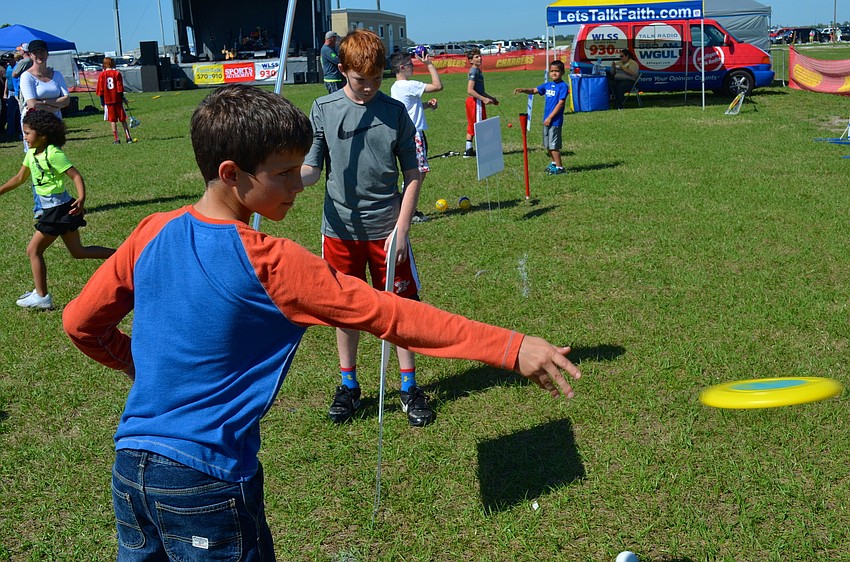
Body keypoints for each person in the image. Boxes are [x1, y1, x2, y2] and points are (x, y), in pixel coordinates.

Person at [61, 83, 581, 560]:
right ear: (230, 174)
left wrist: (141, 369)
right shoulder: (273, 262)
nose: (299, 185)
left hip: (132, 470)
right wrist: (509, 347)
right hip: (208, 484)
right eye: (283, 174)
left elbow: (80, 323)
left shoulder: (150, 230)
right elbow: (389, 312)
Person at [301, 29, 439, 427]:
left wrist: (403, 228)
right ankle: (349, 385)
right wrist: (287, 180)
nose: (370, 87)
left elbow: (413, 174)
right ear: (342, 70)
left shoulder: (394, 112)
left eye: (378, 78)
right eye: (362, 80)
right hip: (339, 231)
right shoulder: (324, 109)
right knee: (346, 310)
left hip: (387, 231)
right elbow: (312, 168)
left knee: (399, 308)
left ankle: (410, 387)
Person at [0, 110, 115, 309]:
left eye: (27, 133)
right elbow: (19, 178)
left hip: (58, 210)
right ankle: (122, 257)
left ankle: (42, 297)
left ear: (43, 135)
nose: (24, 137)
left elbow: (76, 176)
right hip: (59, 210)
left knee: (33, 250)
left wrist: (81, 199)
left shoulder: (54, 154)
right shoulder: (31, 153)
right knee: (78, 252)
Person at [390, 49, 443, 223]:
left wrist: (427, 105)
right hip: (415, 135)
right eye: (411, 65)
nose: (413, 68)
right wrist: (429, 64)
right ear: (403, 67)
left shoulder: (395, 87)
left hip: (405, 134)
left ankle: (406, 208)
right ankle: (409, 211)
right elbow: (437, 86)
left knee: (414, 172)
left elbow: (409, 108)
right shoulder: (409, 85)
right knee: (417, 174)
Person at [514, 60, 570, 175]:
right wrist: (523, 90)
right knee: (548, 144)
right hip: (546, 120)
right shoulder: (548, 85)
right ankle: (554, 163)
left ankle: (560, 167)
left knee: (554, 146)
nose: (554, 73)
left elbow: (561, 103)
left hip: (554, 121)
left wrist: (550, 117)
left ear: (562, 72)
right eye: (552, 71)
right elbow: (535, 90)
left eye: (557, 71)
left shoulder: (563, 86)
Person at [464, 47, 498, 158]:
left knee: (474, 124)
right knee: (478, 125)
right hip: (475, 102)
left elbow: (481, 91)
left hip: (478, 100)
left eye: (480, 56)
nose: (480, 58)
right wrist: (483, 99)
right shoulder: (473, 71)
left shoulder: (478, 71)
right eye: (476, 57)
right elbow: (470, 90)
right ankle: (479, 150)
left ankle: (469, 150)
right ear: (471, 60)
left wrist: (491, 98)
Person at [96, 57, 135, 144]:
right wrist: (124, 99)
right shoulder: (117, 73)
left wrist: (102, 102)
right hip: (117, 100)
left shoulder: (102, 75)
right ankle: (128, 137)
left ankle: (116, 139)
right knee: (122, 119)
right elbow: (119, 89)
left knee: (112, 120)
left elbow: (101, 90)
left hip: (108, 101)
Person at [5, 52, 23, 139]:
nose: (8, 62)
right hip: (10, 92)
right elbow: (7, 80)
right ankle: (10, 131)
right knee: (10, 112)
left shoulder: (17, 67)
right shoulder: (8, 68)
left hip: (18, 91)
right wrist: (5, 92)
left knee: (19, 112)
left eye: (9, 60)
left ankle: (20, 130)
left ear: (13, 59)